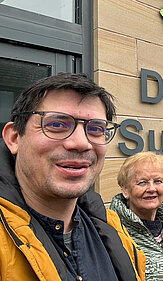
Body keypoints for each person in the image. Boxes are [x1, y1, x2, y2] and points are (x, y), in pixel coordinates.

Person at [0, 73, 145, 280]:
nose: (81, 143)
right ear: (14, 138)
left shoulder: (112, 226)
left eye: (95, 129)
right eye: (57, 125)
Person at [110, 152, 163, 280]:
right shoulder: (115, 233)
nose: (152, 188)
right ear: (125, 190)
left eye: (158, 181)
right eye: (142, 182)